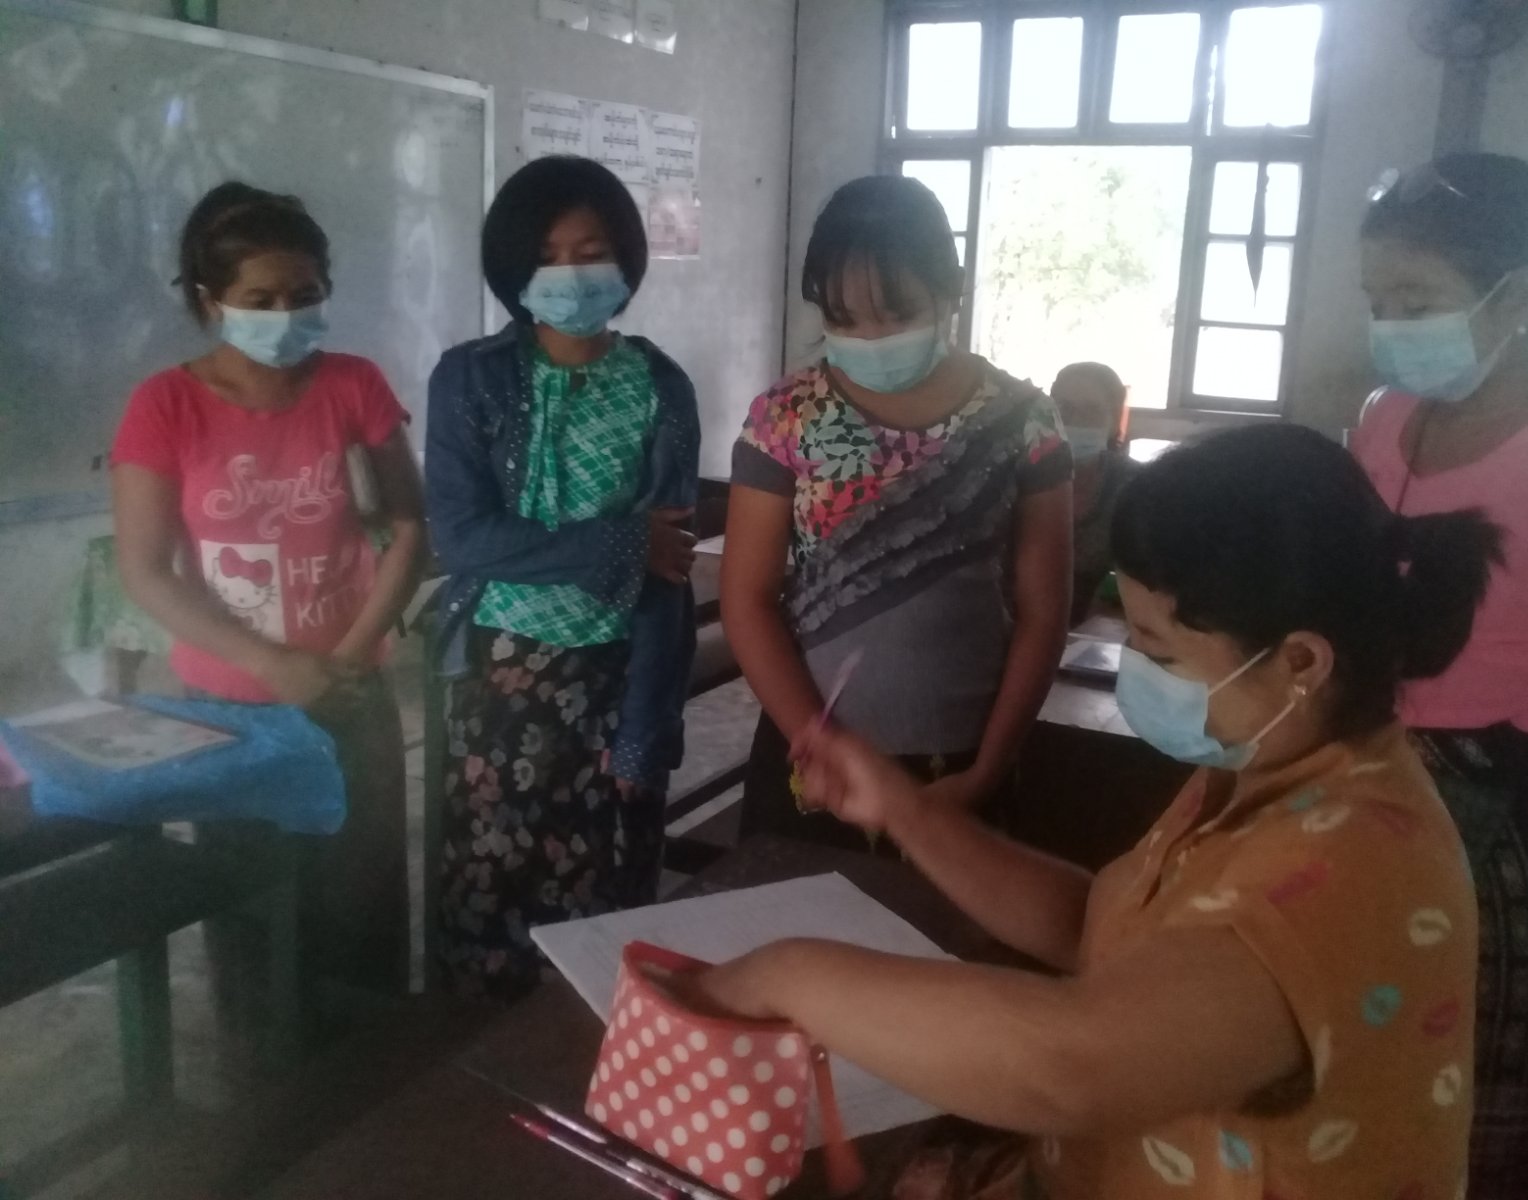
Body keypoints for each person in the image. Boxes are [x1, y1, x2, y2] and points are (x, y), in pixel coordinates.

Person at [673, 425, 1495, 1200]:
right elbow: (1096, 927)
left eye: (1158, 650)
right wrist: (905, 809)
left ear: (1301, 662)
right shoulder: (1259, 772)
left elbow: (1070, 1068)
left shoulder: (1357, 864)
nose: (1135, 667)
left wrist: (791, 976)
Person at [1351, 152, 1528, 1198]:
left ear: (1518, 298)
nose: (1390, 325)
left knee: (1468, 1114)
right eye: (1377, 302)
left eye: (1416, 302)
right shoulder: (1385, 419)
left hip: (1510, 837)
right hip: (1369, 790)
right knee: (1356, 1078)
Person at [111, 181, 426, 995]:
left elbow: (410, 529)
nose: (286, 315)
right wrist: (272, 666)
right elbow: (144, 569)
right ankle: (265, 1063)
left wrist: (347, 659)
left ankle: (375, 1060)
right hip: (231, 711)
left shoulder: (354, 385)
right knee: (252, 906)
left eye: (305, 295)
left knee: (362, 899)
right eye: (261, 300)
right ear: (210, 302)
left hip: (351, 690)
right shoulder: (165, 406)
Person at [724, 175, 1072, 850]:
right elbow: (748, 599)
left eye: (897, 313)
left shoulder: (1024, 421)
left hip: (963, 760)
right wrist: (817, 740)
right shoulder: (784, 418)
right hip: (818, 758)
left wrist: (988, 768)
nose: (872, 338)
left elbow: (1043, 613)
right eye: (843, 320)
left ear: (952, 290)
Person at [426, 156, 700, 1001]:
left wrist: (647, 720)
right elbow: (462, 539)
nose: (572, 274)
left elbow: (668, 568)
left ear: (626, 260)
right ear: (514, 269)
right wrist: (619, 543)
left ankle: (601, 1059)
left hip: (620, 673)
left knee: (609, 903)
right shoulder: (469, 378)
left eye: (592, 251)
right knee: (491, 889)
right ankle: (476, 1061)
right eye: (548, 256)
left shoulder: (660, 386)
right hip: (500, 676)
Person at [1051, 362, 1141, 627]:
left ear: (1114, 421)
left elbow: (1140, 583)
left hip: (1096, 632)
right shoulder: (1011, 477)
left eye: (1091, 411)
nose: (1074, 421)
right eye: (1064, 409)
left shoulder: (1135, 487)